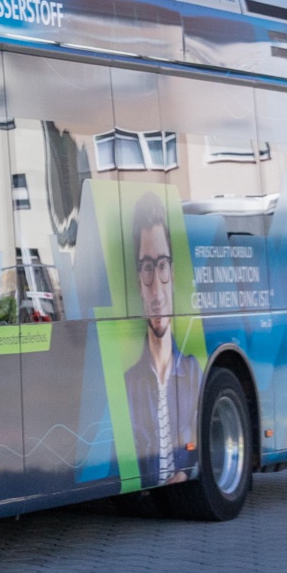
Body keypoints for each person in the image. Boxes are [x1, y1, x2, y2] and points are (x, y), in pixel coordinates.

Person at [121, 196, 202, 488]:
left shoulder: (195, 374)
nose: (156, 290)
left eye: (162, 265)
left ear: (173, 272)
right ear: (137, 282)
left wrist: (189, 471)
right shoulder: (128, 385)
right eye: (146, 268)